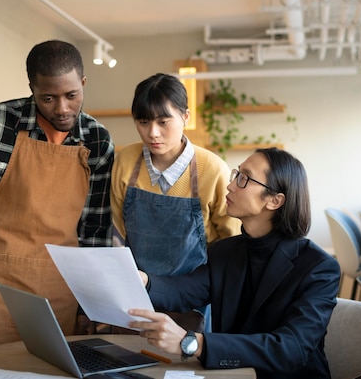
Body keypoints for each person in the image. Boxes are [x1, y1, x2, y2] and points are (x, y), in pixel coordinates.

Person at [0, 40, 114, 351]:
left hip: (64, 290)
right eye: (48, 98)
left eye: (72, 95)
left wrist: (91, 305)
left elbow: (95, 232)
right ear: (32, 88)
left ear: (84, 83)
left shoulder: (98, 141)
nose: (62, 108)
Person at [128, 148, 340, 379]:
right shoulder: (225, 251)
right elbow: (184, 289)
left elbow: (291, 348)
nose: (230, 186)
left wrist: (192, 343)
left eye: (244, 179)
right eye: (236, 174)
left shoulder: (318, 267)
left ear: (274, 200)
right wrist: (142, 280)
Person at [111, 73, 241, 331]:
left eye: (163, 121)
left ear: (185, 117)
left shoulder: (211, 169)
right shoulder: (126, 161)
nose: (153, 133)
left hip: (192, 301)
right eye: (143, 122)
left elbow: (230, 243)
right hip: (135, 297)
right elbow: (118, 228)